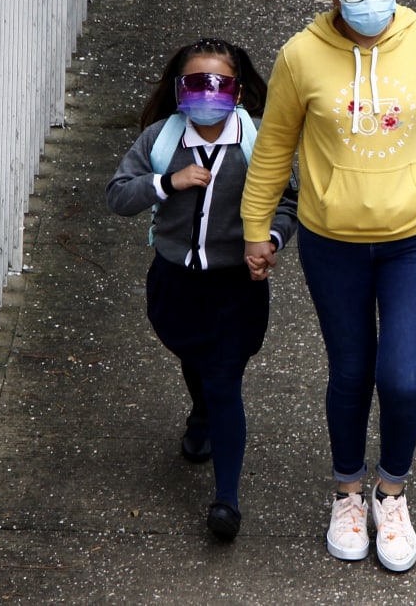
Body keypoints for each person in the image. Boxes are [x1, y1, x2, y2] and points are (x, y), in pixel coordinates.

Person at [239, 0, 416, 573]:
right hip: (333, 243)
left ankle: (392, 490)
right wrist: (254, 228)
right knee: (351, 372)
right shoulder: (300, 56)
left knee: (402, 378)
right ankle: (348, 490)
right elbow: (273, 149)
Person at [105, 38, 297, 543]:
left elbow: (289, 200)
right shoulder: (160, 141)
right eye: (196, 83)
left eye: (219, 84)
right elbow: (117, 195)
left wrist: (271, 239)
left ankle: (226, 500)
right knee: (192, 357)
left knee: (224, 377)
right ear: (178, 88)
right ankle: (202, 413)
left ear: (238, 90)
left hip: (237, 286)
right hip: (176, 282)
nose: (207, 94)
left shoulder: (259, 142)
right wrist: (167, 183)